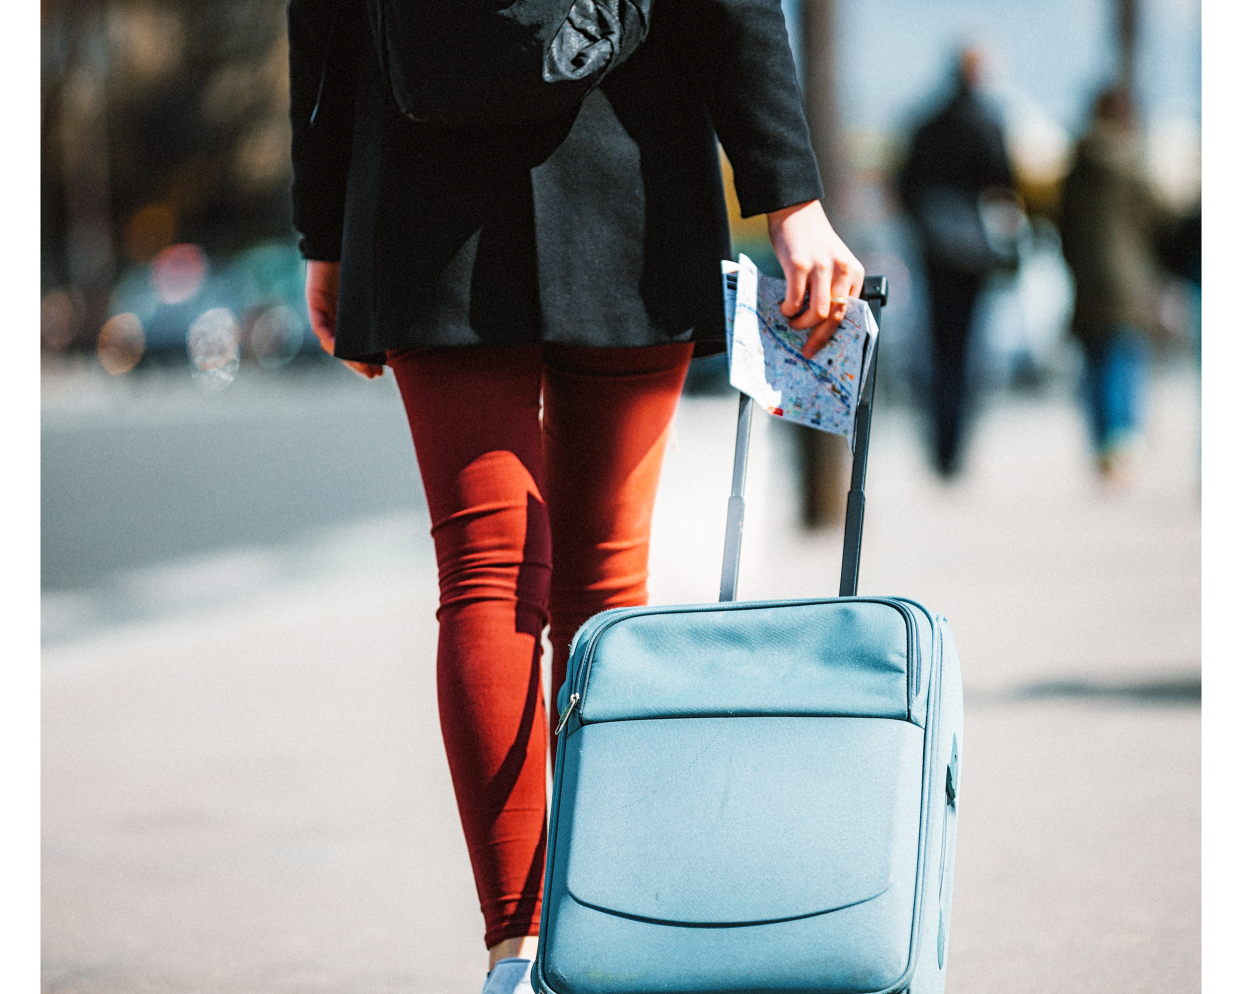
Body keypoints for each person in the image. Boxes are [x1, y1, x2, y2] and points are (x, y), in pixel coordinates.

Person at [286, 1, 865, 991]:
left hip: (425, 192)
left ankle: (516, 948)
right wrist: (789, 197)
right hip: (628, 170)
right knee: (604, 577)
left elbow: (323, 19)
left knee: (484, 573)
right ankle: (605, 930)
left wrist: (324, 222)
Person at [899, 47, 1016, 478]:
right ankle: (956, 451)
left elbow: (906, 187)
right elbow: (1005, 185)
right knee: (967, 351)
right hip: (973, 254)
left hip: (933, 251)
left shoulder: (925, 123)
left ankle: (940, 447)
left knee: (938, 349)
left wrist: (927, 227)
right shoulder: (987, 123)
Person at [1058, 86, 1174, 482]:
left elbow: (1063, 221)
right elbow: (1159, 216)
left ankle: (1100, 444)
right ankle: (1120, 442)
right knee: (1123, 357)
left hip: (1086, 276)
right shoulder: (1130, 162)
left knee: (1094, 361)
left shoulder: (1078, 161)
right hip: (1127, 276)